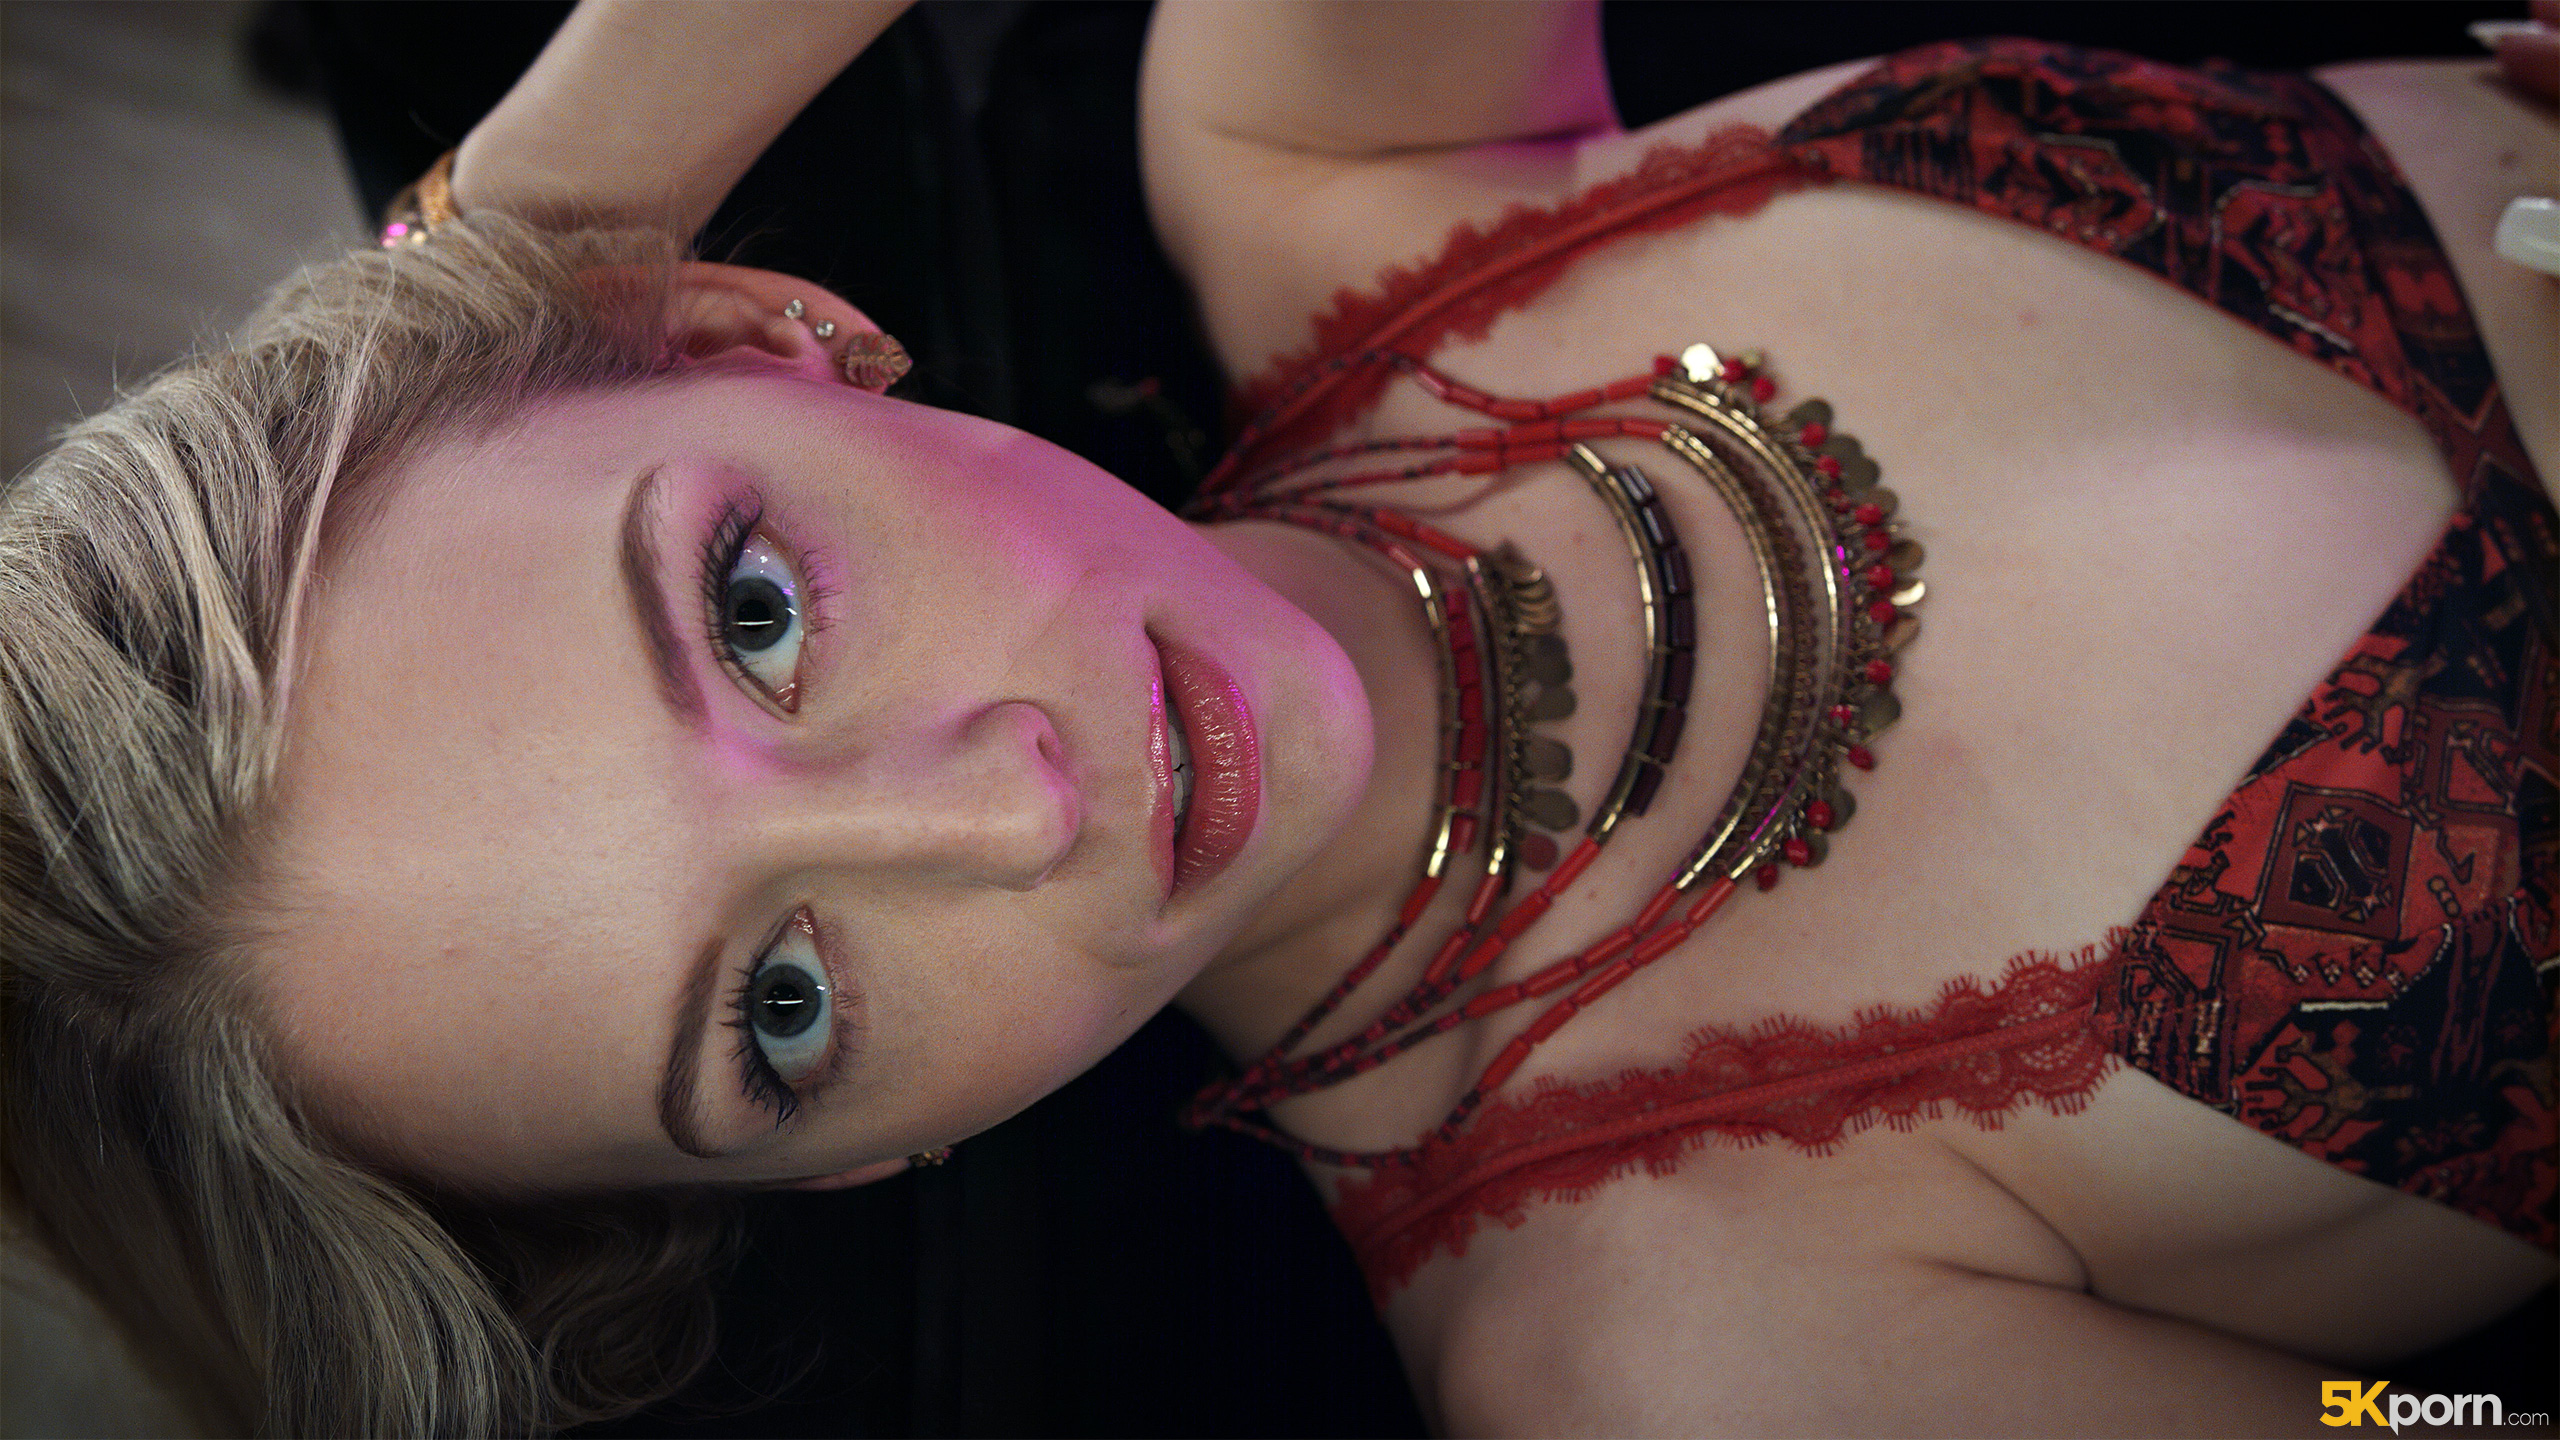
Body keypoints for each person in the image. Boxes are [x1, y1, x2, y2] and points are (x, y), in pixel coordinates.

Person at [3, 2, 2551, 1433]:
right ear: (853, 1165)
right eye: (778, 1009)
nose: (1000, 812)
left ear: (759, 335)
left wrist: (533, 232)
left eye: (754, 607)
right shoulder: (1680, 1362)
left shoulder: (1329, 156)